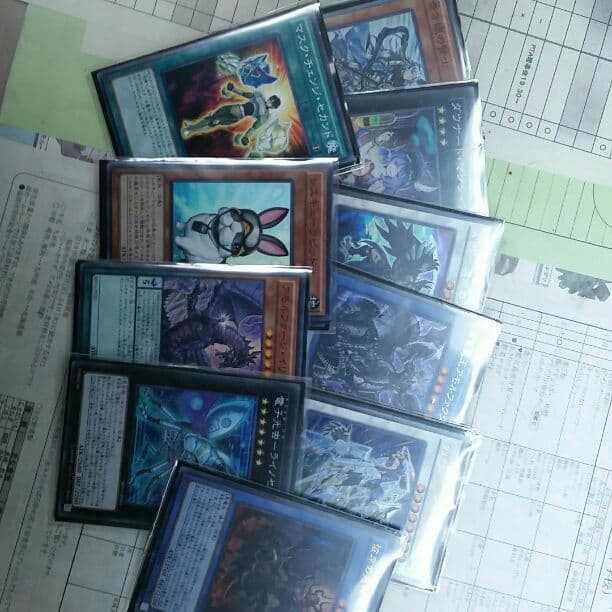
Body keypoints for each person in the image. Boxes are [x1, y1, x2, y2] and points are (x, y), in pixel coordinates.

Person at [180, 81, 280, 146]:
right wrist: (233, 89)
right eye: (271, 100)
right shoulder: (260, 96)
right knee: (211, 117)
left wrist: (246, 137)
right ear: (270, 98)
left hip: (235, 116)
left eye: (272, 103)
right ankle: (191, 127)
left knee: (214, 121)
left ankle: (189, 130)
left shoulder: (265, 115)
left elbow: (254, 127)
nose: (270, 102)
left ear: (273, 107)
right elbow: (245, 94)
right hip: (232, 107)